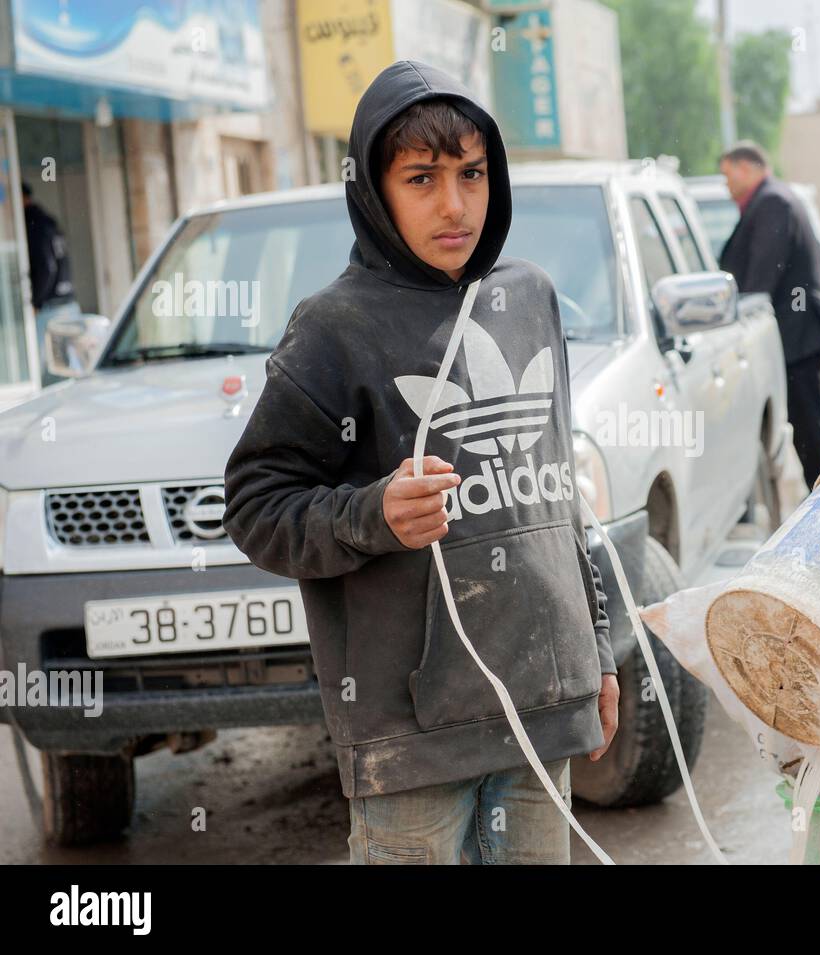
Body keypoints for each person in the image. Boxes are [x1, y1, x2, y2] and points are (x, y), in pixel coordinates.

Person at [222, 60, 618, 865]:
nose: (454, 204)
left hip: (536, 708)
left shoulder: (531, 298)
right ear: (374, 188)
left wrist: (596, 653)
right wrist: (373, 515)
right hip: (410, 737)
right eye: (422, 178)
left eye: (472, 174)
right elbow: (257, 505)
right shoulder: (333, 328)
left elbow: (559, 500)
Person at [717, 141, 820, 492]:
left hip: (797, 332)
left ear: (745, 168)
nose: (725, 184)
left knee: (808, 425)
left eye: (727, 175)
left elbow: (762, 276)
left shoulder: (773, 202)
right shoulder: (772, 199)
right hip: (793, 329)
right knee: (804, 424)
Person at [23, 182, 79, 386]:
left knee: (47, 377)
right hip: (67, 304)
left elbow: (47, 267)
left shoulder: (32, 224)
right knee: (69, 370)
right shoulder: (48, 222)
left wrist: (36, 302)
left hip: (50, 309)